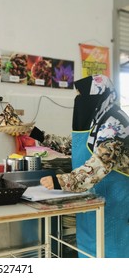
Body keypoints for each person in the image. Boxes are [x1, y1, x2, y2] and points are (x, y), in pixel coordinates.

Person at [31, 74, 129, 258]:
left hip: (116, 203)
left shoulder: (116, 123)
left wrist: (62, 181)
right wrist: (37, 134)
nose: (78, 99)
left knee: (112, 253)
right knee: (90, 252)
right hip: (93, 200)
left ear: (99, 95)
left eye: (81, 94)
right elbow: (73, 146)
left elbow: (101, 163)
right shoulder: (97, 120)